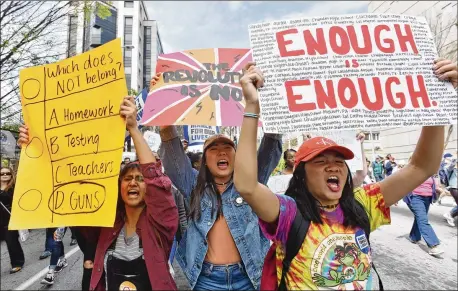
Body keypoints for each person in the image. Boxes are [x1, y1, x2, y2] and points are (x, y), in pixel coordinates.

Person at [233, 58, 454, 289]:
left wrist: (437, 104)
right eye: (321, 161)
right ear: (301, 175)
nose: (334, 167)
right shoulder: (288, 213)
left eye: (339, 161)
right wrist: (252, 106)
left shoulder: (364, 202)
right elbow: (248, 186)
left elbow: (421, 167)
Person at [18, 96, 179, 290]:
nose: (133, 183)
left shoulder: (161, 222)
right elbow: (70, 191)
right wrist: (34, 149)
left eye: (140, 179)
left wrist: (134, 129)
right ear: (119, 187)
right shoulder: (105, 224)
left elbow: (156, 181)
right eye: (127, 179)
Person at [152, 65, 282, 290]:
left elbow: (271, 145)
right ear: (204, 159)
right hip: (206, 281)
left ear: (237, 154)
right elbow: (172, 153)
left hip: (248, 278)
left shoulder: (251, 183)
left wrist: (268, 95)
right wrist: (164, 113)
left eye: (228, 147)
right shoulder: (193, 185)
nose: (222, 152)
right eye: (214, 148)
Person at [403, 153, 444, 256]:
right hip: (415, 198)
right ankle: (433, 245)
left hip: (427, 198)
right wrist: (395, 196)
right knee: (423, 220)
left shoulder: (428, 171)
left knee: (420, 218)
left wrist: (439, 190)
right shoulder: (410, 171)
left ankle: (414, 236)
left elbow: (432, 184)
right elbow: (401, 184)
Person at [0, 166, 25, 274]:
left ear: (11, 175)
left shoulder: (14, 188)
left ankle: (17, 263)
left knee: (11, 242)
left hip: (10, 219)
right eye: (2, 174)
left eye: (7, 173)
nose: (5, 175)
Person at [443, 153, 457, 227]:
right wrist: (455, 156)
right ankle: (450, 214)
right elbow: (452, 165)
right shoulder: (448, 167)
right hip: (454, 188)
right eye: (448, 159)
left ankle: (450, 214)